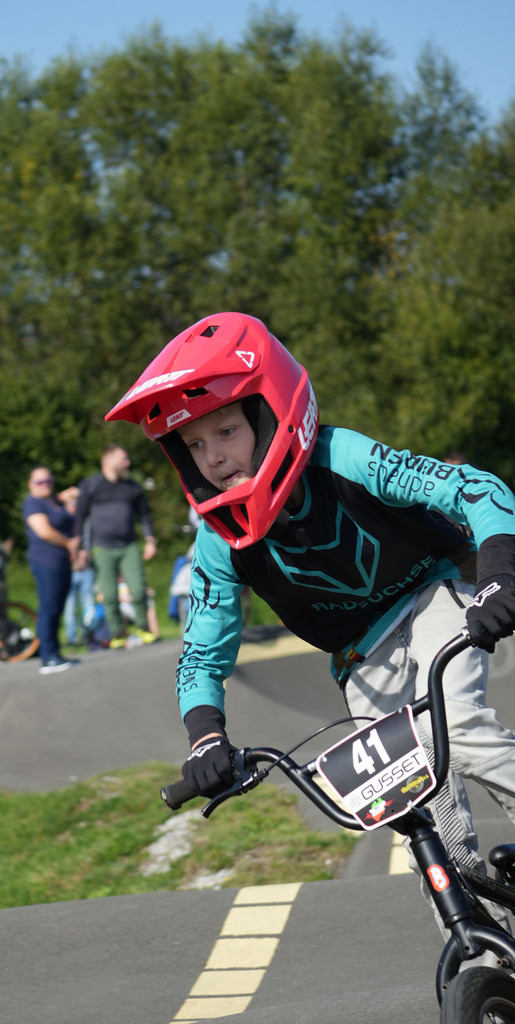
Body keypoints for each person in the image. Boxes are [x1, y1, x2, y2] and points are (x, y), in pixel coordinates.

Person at [105, 310, 515, 928]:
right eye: (194, 446)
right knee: (417, 819)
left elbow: (475, 488)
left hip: (431, 599)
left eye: (225, 433)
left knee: (457, 727)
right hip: (358, 657)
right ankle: (483, 958)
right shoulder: (219, 542)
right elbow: (200, 655)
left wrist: (500, 578)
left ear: (271, 416)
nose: (212, 458)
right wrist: (206, 737)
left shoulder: (341, 456)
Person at [72, 444, 159, 649]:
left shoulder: (132, 487)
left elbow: (145, 515)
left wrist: (150, 540)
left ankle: (144, 629)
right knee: (109, 595)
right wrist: (82, 548)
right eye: (123, 459)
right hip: (102, 547)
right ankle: (117, 634)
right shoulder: (91, 485)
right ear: (109, 460)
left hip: (129, 546)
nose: (127, 463)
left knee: (138, 590)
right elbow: (80, 517)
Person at [22, 467, 77, 673]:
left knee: (57, 607)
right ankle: (47, 657)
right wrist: (70, 543)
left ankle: (55, 652)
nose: (44, 485)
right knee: (48, 606)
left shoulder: (53, 501)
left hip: (61, 561)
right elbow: (44, 531)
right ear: (31, 485)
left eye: (47, 481)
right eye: (39, 482)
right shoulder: (32, 503)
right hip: (46, 560)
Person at [59, 487, 98, 649]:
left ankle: (89, 635)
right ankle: (72, 637)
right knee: (70, 607)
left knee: (88, 604)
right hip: (69, 570)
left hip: (86, 569)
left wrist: (84, 553)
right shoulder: (61, 521)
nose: (72, 506)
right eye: (69, 504)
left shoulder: (85, 521)